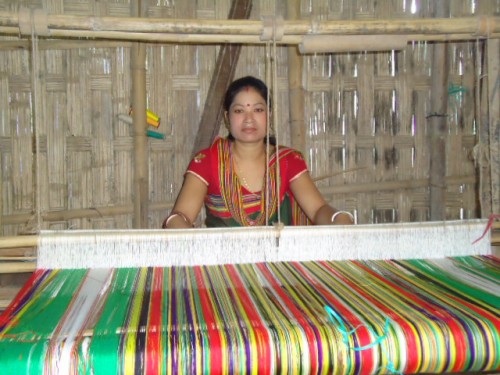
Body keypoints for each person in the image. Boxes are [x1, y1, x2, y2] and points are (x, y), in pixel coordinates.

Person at [162, 76, 354, 229]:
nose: (249, 119)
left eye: (258, 110)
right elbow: (182, 216)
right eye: (239, 111)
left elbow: (318, 209)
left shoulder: (286, 161)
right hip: (225, 270)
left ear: (268, 114)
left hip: (279, 270)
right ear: (227, 118)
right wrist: (176, 224)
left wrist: (337, 218)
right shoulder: (207, 162)